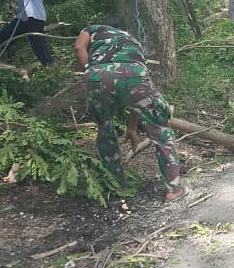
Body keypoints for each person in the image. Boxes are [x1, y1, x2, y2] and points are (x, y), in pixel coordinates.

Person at [74, 14, 188, 202]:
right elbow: (137, 99)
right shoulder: (132, 39)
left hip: (96, 76)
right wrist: (133, 126)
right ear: (123, 28)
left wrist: (90, 69)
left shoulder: (93, 29)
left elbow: (79, 47)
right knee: (161, 129)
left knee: (105, 129)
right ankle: (173, 189)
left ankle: (116, 185)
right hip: (134, 75)